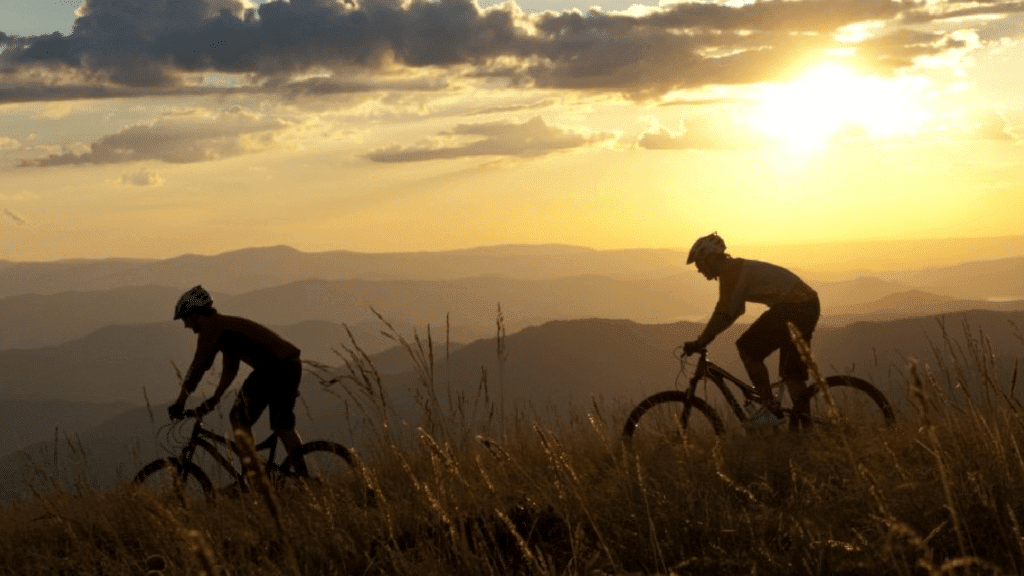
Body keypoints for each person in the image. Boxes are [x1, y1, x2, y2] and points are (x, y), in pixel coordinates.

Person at [681, 233, 820, 427]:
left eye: (699, 263)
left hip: (794, 307)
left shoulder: (731, 272)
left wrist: (701, 341)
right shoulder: (733, 270)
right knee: (792, 375)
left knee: (748, 349)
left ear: (711, 258)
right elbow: (734, 310)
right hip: (807, 305)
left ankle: (769, 409)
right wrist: (707, 337)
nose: (699, 269)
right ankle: (805, 432)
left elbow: (725, 312)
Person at [168, 285, 306, 470]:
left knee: (238, 417)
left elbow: (198, 367)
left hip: (273, 368)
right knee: (283, 426)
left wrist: (180, 403)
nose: (185, 325)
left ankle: (254, 475)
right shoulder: (225, 327)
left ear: (195, 314)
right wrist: (215, 398)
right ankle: (305, 479)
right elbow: (230, 369)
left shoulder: (211, 327)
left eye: (185, 319)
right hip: (290, 365)